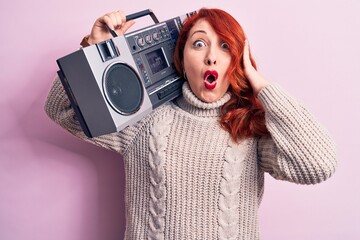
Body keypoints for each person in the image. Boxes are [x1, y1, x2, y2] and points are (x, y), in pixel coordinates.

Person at [45, 8, 337, 240]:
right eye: (199, 44)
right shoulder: (143, 121)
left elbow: (319, 164)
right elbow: (60, 109)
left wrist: (262, 87)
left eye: (225, 47)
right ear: (182, 59)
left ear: (237, 61)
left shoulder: (249, 129)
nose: (211, 56)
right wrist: (92, 49)